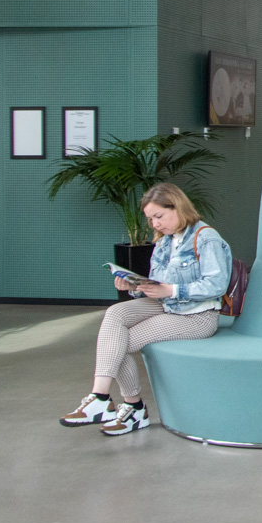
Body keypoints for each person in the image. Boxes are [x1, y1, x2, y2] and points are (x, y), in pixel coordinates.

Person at [60, 182, 231, 436]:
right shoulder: (163, 242)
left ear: (178, 207)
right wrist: (134, 285)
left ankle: (132, 407)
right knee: (115, 313)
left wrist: (171, 290)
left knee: (120, 342)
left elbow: (216, 284)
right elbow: (156, 283)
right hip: (166, 305)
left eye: (159, 216)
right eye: (151, 219)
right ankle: (101, 397)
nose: (155, 224)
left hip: (197, 315)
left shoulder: (206, 238)